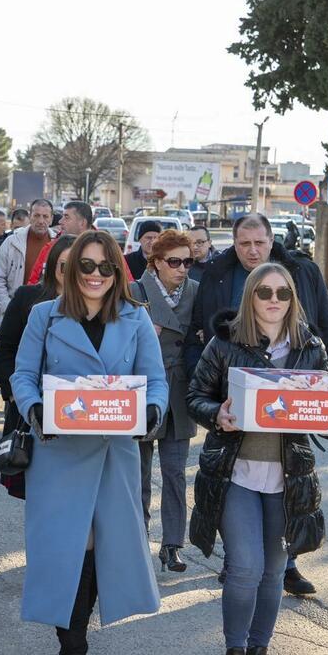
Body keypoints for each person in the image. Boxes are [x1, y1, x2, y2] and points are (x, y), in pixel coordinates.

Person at [11, 229, 168, 655]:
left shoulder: (135, 318)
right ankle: (73, 640)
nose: (95, 274)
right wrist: (36, 408)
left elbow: (156, 381)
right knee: (67, 547)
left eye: (105, 266)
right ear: (72, 267)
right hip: (58, 454)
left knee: (106, 544)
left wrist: (152, 411)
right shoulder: (44, 316)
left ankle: (75, 636)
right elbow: (22, 375)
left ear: (117, 271)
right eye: (86, 265)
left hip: (114, 453)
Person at [183, 213, 328, 595]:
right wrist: (215, 404)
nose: (252, 250)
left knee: (285, 498)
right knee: (245, 551)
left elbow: (324, 330)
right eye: (244, 243)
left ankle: (286, 566)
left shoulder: (301, 272)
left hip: (288, 426)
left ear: (271, 241)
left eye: (259, 242)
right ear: (234, 245)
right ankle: (241, 564)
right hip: (237, 431)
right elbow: (200, 337)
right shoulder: (217, 274)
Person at [129, 230, 199, 573]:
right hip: (144, 392)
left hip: (181, 393)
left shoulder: (197, 293)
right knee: (139, 474)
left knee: (175, 473)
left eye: (188, 261)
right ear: (155, 263)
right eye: (174, 261)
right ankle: (138, 540)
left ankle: (172, 544)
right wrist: (142, 333)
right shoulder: (134, 293)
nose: (183, 268)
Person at [0, 234, 77, 499]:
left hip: (75, 410)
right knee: (35, 488)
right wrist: (12, 392)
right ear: (53, 266)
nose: (71, 272)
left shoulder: (93, 306)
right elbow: (6, 347)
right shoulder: (29, 297)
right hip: (32, 407)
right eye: (65, 265)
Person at [0, 198, 55, 331]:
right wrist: (9, 307)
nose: (41, 221)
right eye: (36, 215)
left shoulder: (58, 245)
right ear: (30, 216)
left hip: (44, 320)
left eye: (45, 216)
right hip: (10, 318)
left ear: (51, 219)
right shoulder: (11, 242)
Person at [25, 201, 94, 285]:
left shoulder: (103, 250)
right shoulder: (50, 248)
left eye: (66, 217)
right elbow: (33, 283)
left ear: (82, 223)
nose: (60, 221)